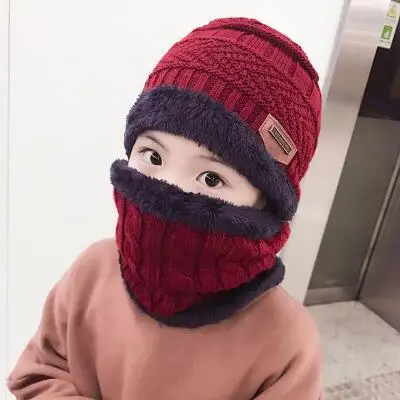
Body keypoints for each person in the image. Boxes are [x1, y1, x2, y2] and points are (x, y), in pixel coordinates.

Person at [7, 17, 323, 399]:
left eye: (211, 178)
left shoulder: (286, 344)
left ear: (266, 203)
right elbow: (39, 372)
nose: (167, 188)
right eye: (153, 156)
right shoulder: (92, 273)